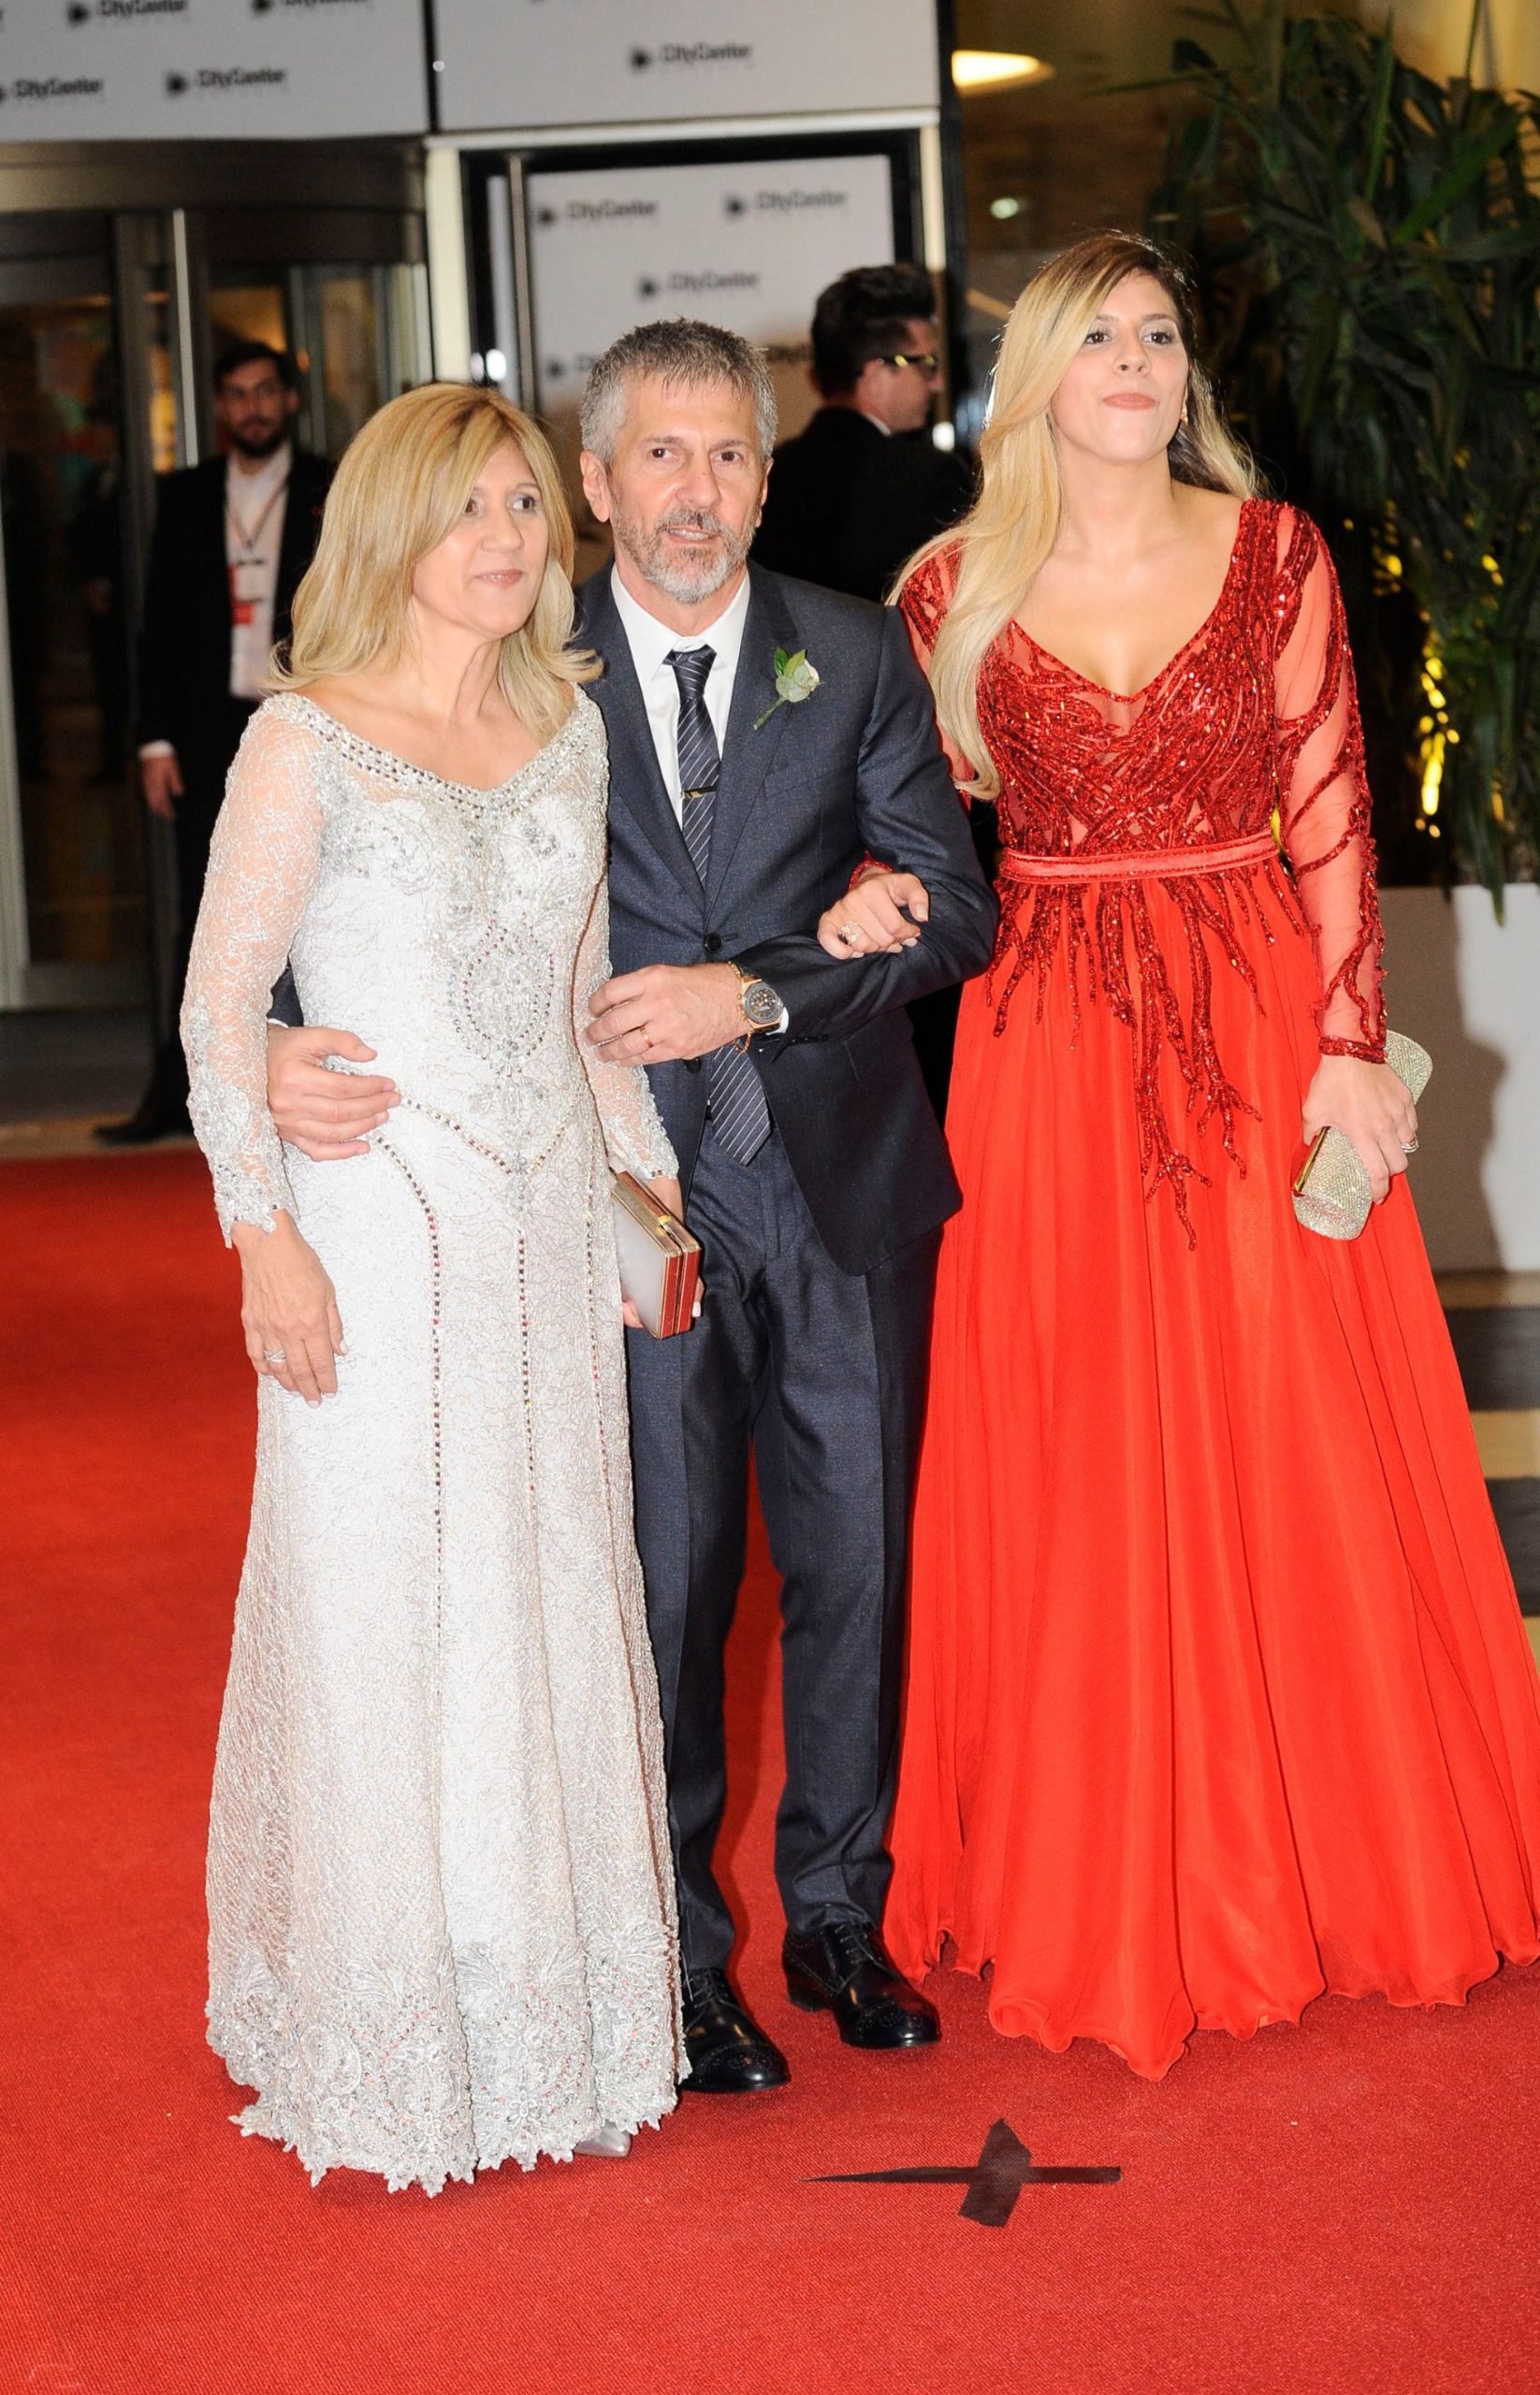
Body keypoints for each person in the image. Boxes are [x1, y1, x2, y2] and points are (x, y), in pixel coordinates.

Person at [264, 320, 998, 2096]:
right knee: (658, 1589)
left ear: (767, 471)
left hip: (837, 1185)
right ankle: (672, 1949)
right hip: (607, 1206)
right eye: (656, 458)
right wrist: (285, 1045)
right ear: (596, 486)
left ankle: (839, 1910)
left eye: (726, 456)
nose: (694, 493)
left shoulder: (852, 651)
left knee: (854, 1568)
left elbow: (958, 912)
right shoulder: (516, 676)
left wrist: (758, 994)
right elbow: (362, 876)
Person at [877, 233, 1540, 2080]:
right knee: (1070, 1427)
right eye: (1099, 336)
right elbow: (911, 825)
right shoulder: (943, 587)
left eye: (1160, 335)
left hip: (1257, 1015)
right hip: (1039, 1038)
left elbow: (1330, 798)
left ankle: (1335, 1856)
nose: (1140, 361)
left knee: (1288, 1413)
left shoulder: (1274, 556)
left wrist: (1346, 1046)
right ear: (1037, 377)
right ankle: (1089, 1863)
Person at [181, 384, 684, 2192]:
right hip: (374, 1239)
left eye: (530, 511)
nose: (505, 541)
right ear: (392, 526)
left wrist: (651, 1204)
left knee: (544, 1584)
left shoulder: (565, 732)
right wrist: (263, 1233)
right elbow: (217, 1003)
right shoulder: (303, 737)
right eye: (470, 507)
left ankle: (547, 2004)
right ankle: (386, 2013)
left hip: (548, 1238)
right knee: (388, 1590)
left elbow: (583, 1000)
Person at [754, 266, 981, 1119]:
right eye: (923, 366)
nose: (930, 385)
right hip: (912, 786)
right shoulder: (942, 489)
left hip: (782, 799)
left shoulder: (771, 482)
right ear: (880, 367)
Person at [100, 342, 330, 1146]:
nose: (252, 408)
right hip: (206, 732)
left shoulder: (328, 487)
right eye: (235, 395)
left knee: (312, 907)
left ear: (290, 399)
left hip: (308, 723)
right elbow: (156, 623)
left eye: (265, 392)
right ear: (218, 406)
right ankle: (182, 1091)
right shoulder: (190, 496)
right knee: (204, 911)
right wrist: (153, 739)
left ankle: (304, 1081)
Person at [753, 263, 973, 603]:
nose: (938, 382)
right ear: (877, 371)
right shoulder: (930, 478)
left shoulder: (771, 472)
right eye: (926, 364)